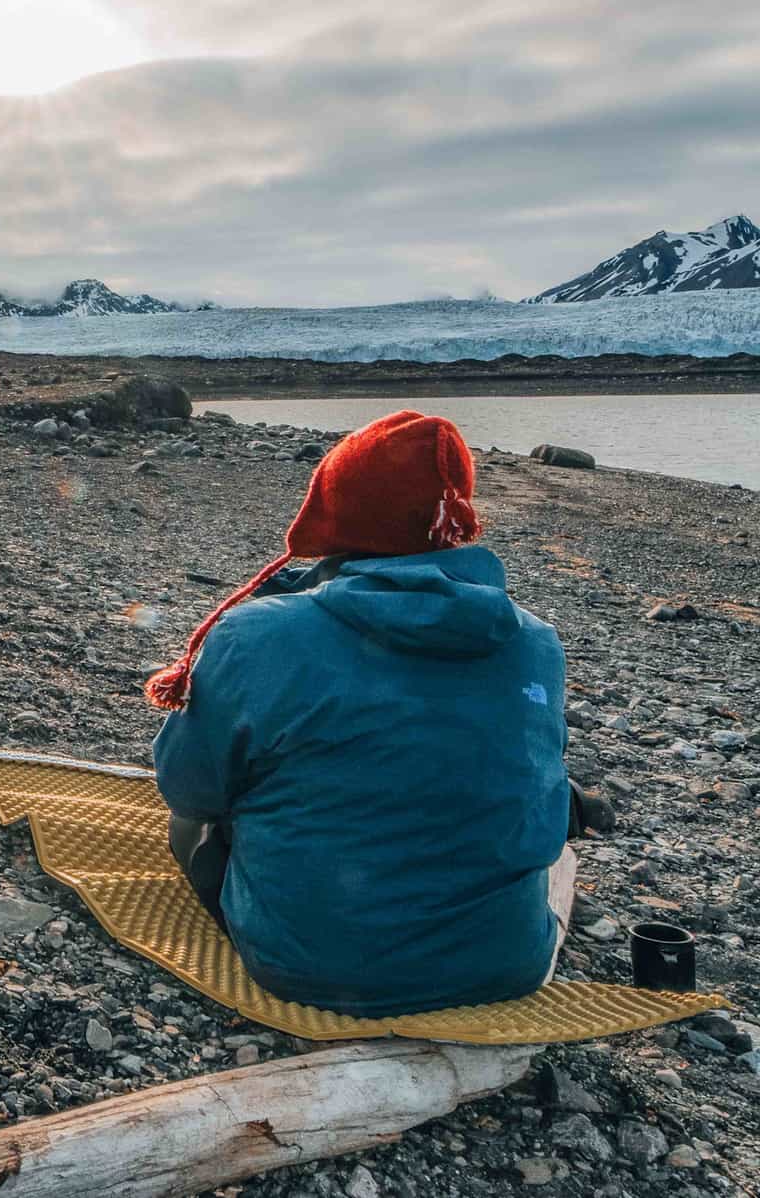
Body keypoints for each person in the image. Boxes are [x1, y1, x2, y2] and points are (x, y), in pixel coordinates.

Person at [145, 411, 578, 1018]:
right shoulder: (536, 642)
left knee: (193, 828)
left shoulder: (260, 632)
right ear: (456, 523)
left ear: (334, 513)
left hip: (313, 969)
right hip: (506, 965)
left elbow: (188, 789)